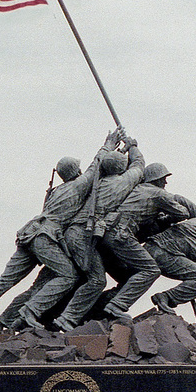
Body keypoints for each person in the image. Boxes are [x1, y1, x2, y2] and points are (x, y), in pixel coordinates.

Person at [0, 131, 120, 335]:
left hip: (29, 234)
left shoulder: (56, 191)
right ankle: (31, 311)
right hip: (44, 238)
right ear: (76, 170)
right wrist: (108, 144)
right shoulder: (77, 186)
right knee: (68, 275)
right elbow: (97, 166)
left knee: (6, 279)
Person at [52, 135, 144, 331]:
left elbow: (96, 164)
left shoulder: (93, 182)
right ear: (121, 168)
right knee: (97, 279)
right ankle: (67, 318)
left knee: (95, 277)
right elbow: (139, 166)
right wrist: (132, 146)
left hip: (75, 234)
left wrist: (111, 147)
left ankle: (76, 315)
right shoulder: (122, 182)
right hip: (82, 236)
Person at [96, 162, 191, 320]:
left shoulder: (136, 189)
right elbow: (183, 213)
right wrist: (165, 216)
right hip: (121, 235)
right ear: (157, 179)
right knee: (151, 270)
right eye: (164, 179)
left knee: (129, 277)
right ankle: (116, 306)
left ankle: (97, 309)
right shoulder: (158, 194)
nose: (165, 183)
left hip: (106, 233)